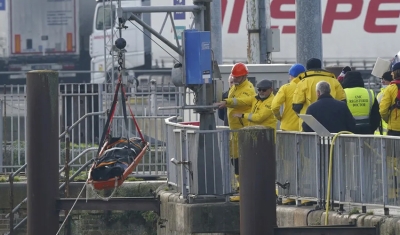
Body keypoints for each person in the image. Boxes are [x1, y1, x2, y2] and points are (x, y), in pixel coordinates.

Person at [215, 62, 256, 201]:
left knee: (242, 159)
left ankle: (246, 187)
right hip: (234, 130)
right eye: (234, 77)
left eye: (238, 77)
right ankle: (241, 186)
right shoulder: (236, 87)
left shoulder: (248, 88)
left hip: (242, 130)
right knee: (235, 159)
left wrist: (228, 102)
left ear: (244, 76)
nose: (236, 79)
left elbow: (246, 100)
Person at [292, 58, 346, 130]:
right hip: (332, 123)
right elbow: (343, 101)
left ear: (307, 69)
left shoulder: (303, 82)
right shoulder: (334, 81)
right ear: (320, 67)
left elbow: (296, 106)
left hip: (309, 124)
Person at [271, 63, 306, 131]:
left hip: (288, 127)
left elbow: (274, 106)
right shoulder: (307, 86)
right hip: (304, 127)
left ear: (291, 75)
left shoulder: (285, 88)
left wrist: (279, 117)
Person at [379, 62, 400, 136]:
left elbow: (383, 110)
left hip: (395, 128)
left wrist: (388, 120)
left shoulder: (390, 88)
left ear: (395, 73)